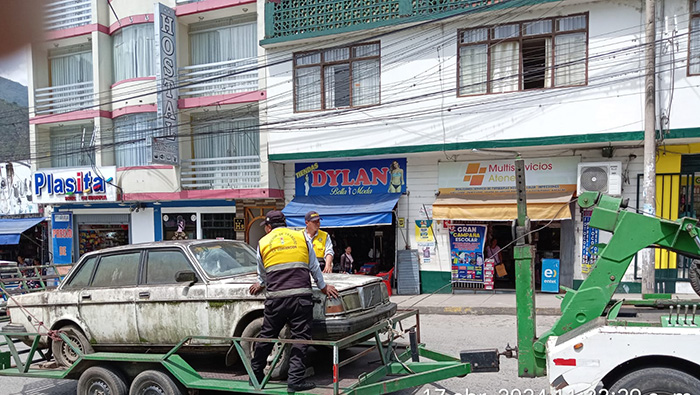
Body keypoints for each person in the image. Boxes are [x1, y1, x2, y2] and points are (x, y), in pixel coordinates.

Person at [249, 211, 338, 392]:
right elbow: (314, 267)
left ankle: (255, 374)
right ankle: (295, 381)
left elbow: (263, 273)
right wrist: (323, 287)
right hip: (300, 298)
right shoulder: (301, 237)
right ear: (285, 223)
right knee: (301, 339)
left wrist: (261, 283)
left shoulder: (263, 243)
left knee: (267, 336)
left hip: (276, 300)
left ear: (268, 227)